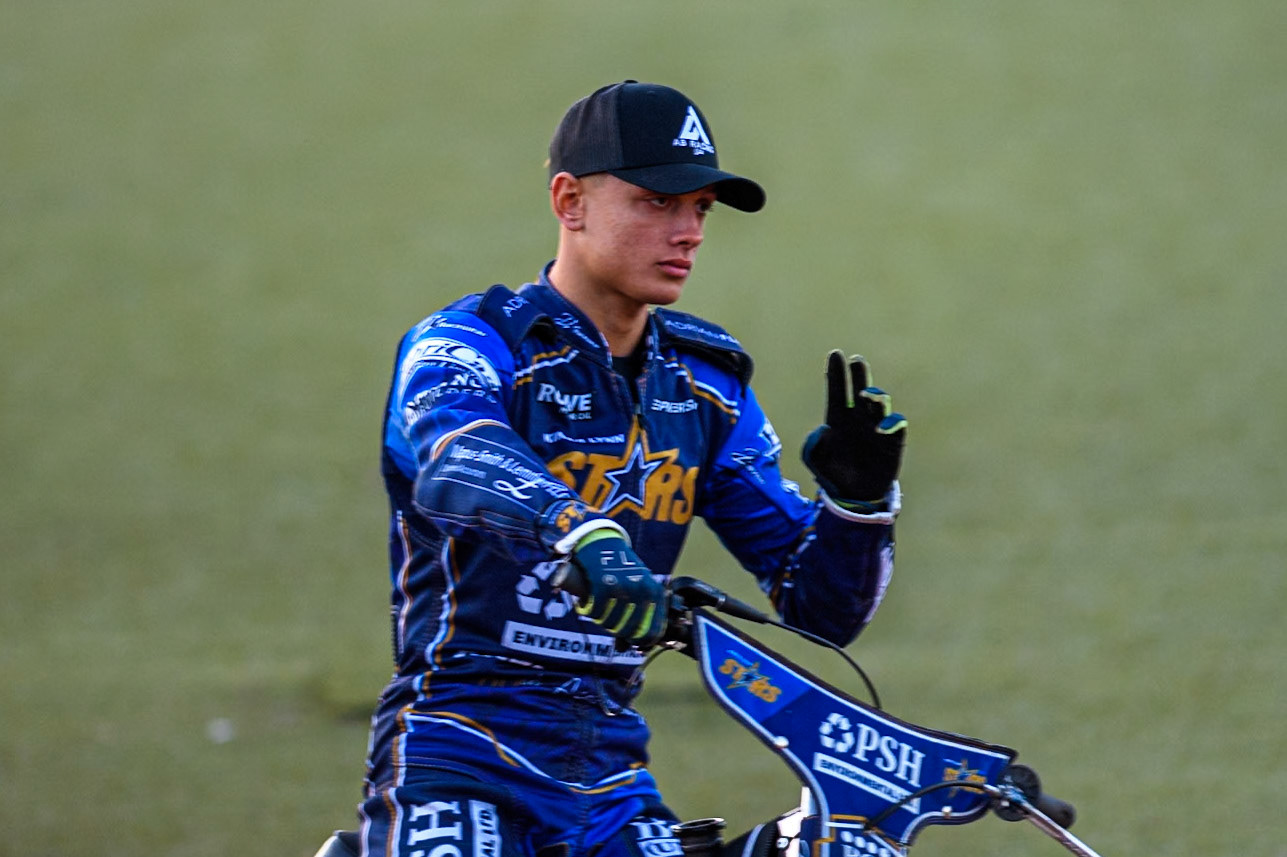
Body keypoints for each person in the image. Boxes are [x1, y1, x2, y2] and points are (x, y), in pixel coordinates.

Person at [356, 80, 907, 857]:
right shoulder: (469, 344)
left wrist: (857, 503)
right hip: (459, 751)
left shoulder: (706, 383)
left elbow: (819, 610)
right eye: (656, 202)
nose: (688, 232)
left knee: (853, 848)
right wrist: (583, 534)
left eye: (700, 209)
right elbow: (455, 454)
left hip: (610, 779)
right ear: (569, 200)